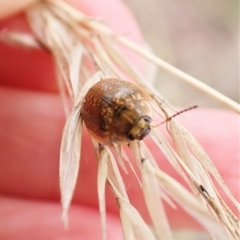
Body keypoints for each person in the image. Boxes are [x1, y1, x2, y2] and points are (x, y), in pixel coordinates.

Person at [0, 0, 239, 239]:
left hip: (109, 94)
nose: (143, 132)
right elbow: (108, 132)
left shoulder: (132, 106)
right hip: (104, 96)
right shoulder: (115, 125)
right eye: (142, 127)